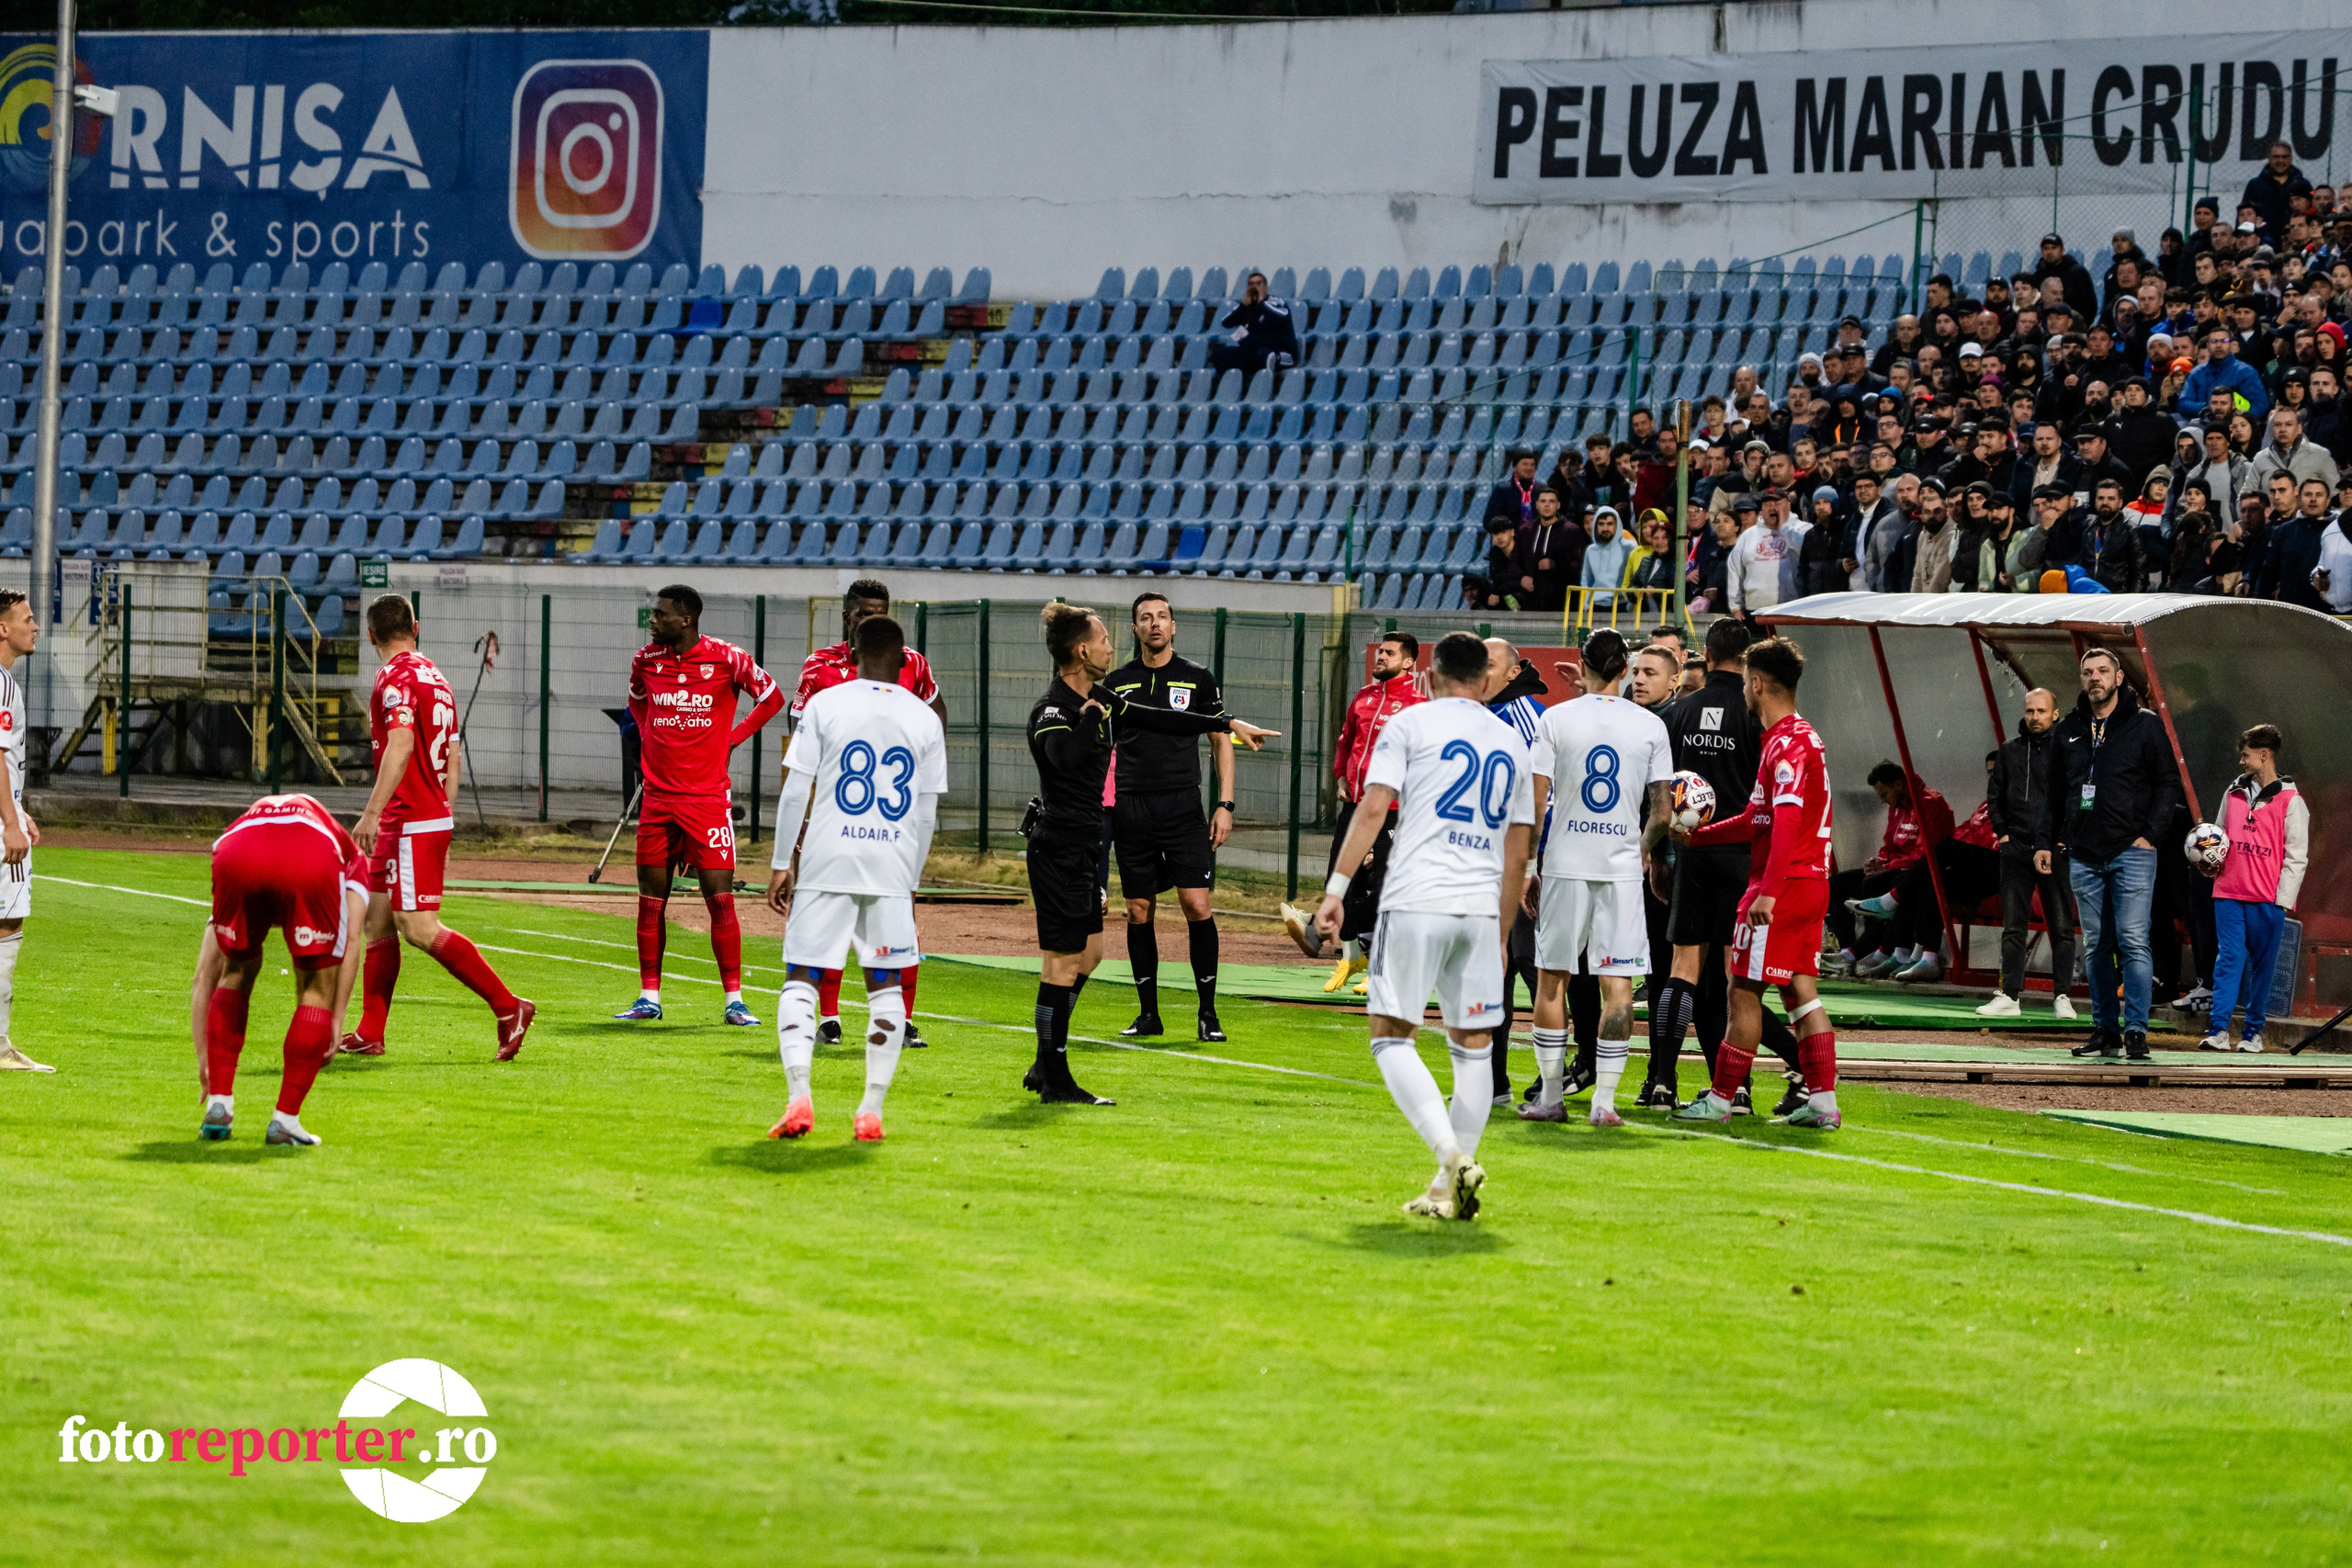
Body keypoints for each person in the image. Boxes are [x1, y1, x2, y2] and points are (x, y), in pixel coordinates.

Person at [1313, 631, 1532, 1219]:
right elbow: (1518, 851)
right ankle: (1446, 1188)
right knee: (1474, 1050)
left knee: (1390, 1035)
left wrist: (1335, 891)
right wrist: (1504, 933)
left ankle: (1452, 1157)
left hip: (1416, 898)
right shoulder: (1513, 743)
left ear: (1429, 678)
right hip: (1481, 909)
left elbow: (1374, 803)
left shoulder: (1409, 725)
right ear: (1486, 681)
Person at [1023, 604, 1272, 1105]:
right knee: (1061, 964)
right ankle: (1055, 1078)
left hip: (1082, 847)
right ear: (1082, 650)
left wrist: (1227, 721)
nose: (1111, 648)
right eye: (1103, 640)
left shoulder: (1101, 698)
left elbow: (1161, 720)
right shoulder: (1054, 710)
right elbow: (1060, 760)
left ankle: (1044, 1063)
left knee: (1090, 954)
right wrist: (1088, 724)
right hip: (1058, 847)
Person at [764, 615, 946, 1143]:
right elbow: (926, 813)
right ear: (904, 657)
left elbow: (797, 789)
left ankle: (800, 1096)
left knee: (802, 976)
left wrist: (782, 861)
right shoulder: (924, 718)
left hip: (827, 860)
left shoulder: (827, 703)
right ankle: (871, 1109)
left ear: (855, 654)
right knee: (885, 986)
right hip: (891, 866)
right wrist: (909, 876)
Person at [345, 595, 535, 1062]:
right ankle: (371, 1031)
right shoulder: (436, 675)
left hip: (408, 817)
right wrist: (443, 815)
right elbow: (453, 753)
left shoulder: (394, 678)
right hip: (418, 816)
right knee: (378, 920)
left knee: (419, 928)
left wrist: (371, 812)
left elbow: (402, 743)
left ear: (371, 635)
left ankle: (508, 1007)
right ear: (417, 626)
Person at [1670, 636, 1843, 1129]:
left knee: (1742, 991)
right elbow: (1757, 817)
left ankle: (1721, 1099)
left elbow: (1786, 822)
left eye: (1747, 682)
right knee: (1800, 994)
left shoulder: (1785, 745)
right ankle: (1824, 1103)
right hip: (1809, 882)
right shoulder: (1797, 737)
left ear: (1758, 683)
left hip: (1782, 885)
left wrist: (1768, 889)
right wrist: (1701, 838)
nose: (1744, 690)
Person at [1516, 630, 1672, 1128]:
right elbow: (1664, 812)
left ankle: (1551, 1096)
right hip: (1620, 868)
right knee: (1618, 984)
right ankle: (1604, 1103)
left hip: (1564, 862)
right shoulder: (1650, 726)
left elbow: (1535, 802)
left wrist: (1527, 866)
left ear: (1581, 666)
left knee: (1552, 979)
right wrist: (1640, 853)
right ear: (1625, 670)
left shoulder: (1555, 718)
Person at [613, 584, 786, 1026]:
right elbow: (635, 700)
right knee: (651, 900)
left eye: (660, 614)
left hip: (707, 799)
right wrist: (650, 734)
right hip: (658, 798)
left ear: (685, 619)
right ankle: (648, 997)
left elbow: (771, 698)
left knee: (720, 898)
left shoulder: (728, 658)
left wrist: (732, 737)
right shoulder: (645, 661)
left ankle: (735, 1001)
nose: (652, 621)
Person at [794, 580, 945, 1049]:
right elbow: (798, 724)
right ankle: (830, 1018)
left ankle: (901, 1020)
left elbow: (937, 711)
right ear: (846, 617)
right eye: (863, 612)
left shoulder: (911, 663)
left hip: (891, 812)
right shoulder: (820, 666)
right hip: (838, 809)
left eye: (879, 611)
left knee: (900, 914)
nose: (871, 618)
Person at [198, 794, 371, 1145]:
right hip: (308, 856)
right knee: (315, 982)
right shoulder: (354, 859)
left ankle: (219, 1103)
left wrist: (205, 1060)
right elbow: (351, 941)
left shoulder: (250, 828)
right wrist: (336, 1020)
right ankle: (285, 1121)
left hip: (234, 850)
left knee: (236, 969)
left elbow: (204, 975)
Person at [1104, 593, 1237, 1043]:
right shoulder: (1117, 682)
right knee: (1138, 909)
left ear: (1174, 626)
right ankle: (1148, 1015)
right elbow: (1103, 749)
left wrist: (1225, 803)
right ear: (1135, 628)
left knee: (1196, 905)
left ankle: (1208, 1013)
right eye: (1145, 617)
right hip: (1131, 807)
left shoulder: (1198, 678)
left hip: (1183, 806)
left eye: (1162, 617)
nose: (1154, 624)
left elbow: (1221, 739)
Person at [2038, 648, 2179, 1063]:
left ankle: (2136, 1030)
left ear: (2119, 678)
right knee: (2098, 944)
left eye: (2103, 671)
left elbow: (2168, 783)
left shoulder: (2145, 725)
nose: (2095, 678)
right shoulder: (2068, 730)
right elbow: (2054, 793)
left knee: (2134, 941)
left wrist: (2150, 835)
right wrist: (2046, 841)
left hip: (2132, 851)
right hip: (2083, 852)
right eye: (2087, 672)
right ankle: (2105, 1029)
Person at [1285, 631, 1423, 993]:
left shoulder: (1418, 706)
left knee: (1385, 889)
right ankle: (1350, 958)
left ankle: (1378, 968)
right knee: (1339, 880)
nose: (1380, 657)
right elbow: (1345, 739)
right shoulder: (1363, 697)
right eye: (1379, 651)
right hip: (1355, 806)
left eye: (1389, 653)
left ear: (1409, 662)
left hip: (1394, 810)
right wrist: (1340, 775)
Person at [1842, 752, 2007, 984]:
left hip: (1999, 866)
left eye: (1997, 771)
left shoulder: (2016, 802)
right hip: (1969, 866)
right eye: (1989, 772)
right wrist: (1883, 861)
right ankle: (1923, 958)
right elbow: (1965, 829)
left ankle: (1884, 930)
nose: (1992, 777)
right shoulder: (1986, 805)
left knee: (1935, 855)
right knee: (1927, 879)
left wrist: (1891, 865)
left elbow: (1929, 848)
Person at [2197, 724, 2310, 1055]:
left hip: (2266, 900)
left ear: (2264, 755)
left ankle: (2252, 1034)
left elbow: (2296, 856)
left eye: (2246, 756)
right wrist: (2208, 862)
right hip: (2228, 892)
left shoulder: (2292, 801)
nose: (2242, 762)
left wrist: (2282, 902)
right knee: (2228, 959)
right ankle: (2218, 1030)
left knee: (2262, 967)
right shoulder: (2232, 791)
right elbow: (2216, 836)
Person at [1977, 688, 2078, 1020]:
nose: (2034, 716)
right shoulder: (2009, 751)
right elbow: (1995, 795)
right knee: (2014, 926)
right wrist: (2004, 835)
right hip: (2016, 849)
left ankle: (2062, 996)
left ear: (2055, 713)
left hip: (2055, 850)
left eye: (2041, 711)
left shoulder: (2068, 751)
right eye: (2030, 710)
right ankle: (2010, 995)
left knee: (2061, 926)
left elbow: (2076, 798)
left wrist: (2062, 841)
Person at [1831, 761, 1952, 976]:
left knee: (1886, 883)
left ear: (1898, 785)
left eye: (1884, 793)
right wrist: (1879, 861)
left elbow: (1924, 855)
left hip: (1917, 873)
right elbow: (1890, 844)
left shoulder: (1930, 804)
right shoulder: (1896, 807)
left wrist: (1888, 866)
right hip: (1898, 868)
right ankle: (1849, 949)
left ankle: (1871, 952)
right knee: (1837, 885)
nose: (1882, 800)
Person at [0, 590, 45, 1073]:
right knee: (7, 925)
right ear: (3, 628)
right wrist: (11, 822)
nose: (35, 627)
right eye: (28, 619)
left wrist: (18, 805)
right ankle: (0, 1047)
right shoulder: (3, 685)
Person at [1207, 271, 1297, 377]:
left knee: (1267, 356)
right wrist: (1243, 305)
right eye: (1251, 284)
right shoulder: (1247, 306)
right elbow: (1226, 323)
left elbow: (1282, 316)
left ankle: (1266, 387)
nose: (1255, 287)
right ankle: (1239, 388)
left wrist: (1261, 302)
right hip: (1254, 352)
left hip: (1281, 352)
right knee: (1219, 355)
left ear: (1266, 288)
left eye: (1259, 284)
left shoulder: (1276, 302)